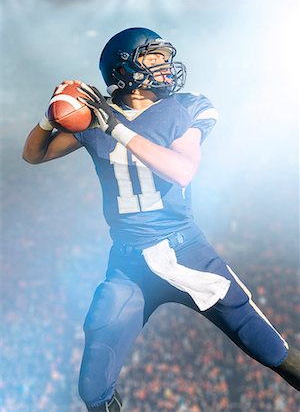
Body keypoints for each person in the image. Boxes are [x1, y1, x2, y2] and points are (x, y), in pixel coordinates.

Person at [23, 27, 300, 411]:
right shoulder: (95, 117)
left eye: (165, 57)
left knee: (269, 348)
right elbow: (34, 155)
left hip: (186, 250)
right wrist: (52, 114)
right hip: (127, 263)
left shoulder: (186, 106)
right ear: (125, 69)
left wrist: (114, 127)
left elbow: (181, 170)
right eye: (153, 59)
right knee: (93, 390)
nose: (166, 66)